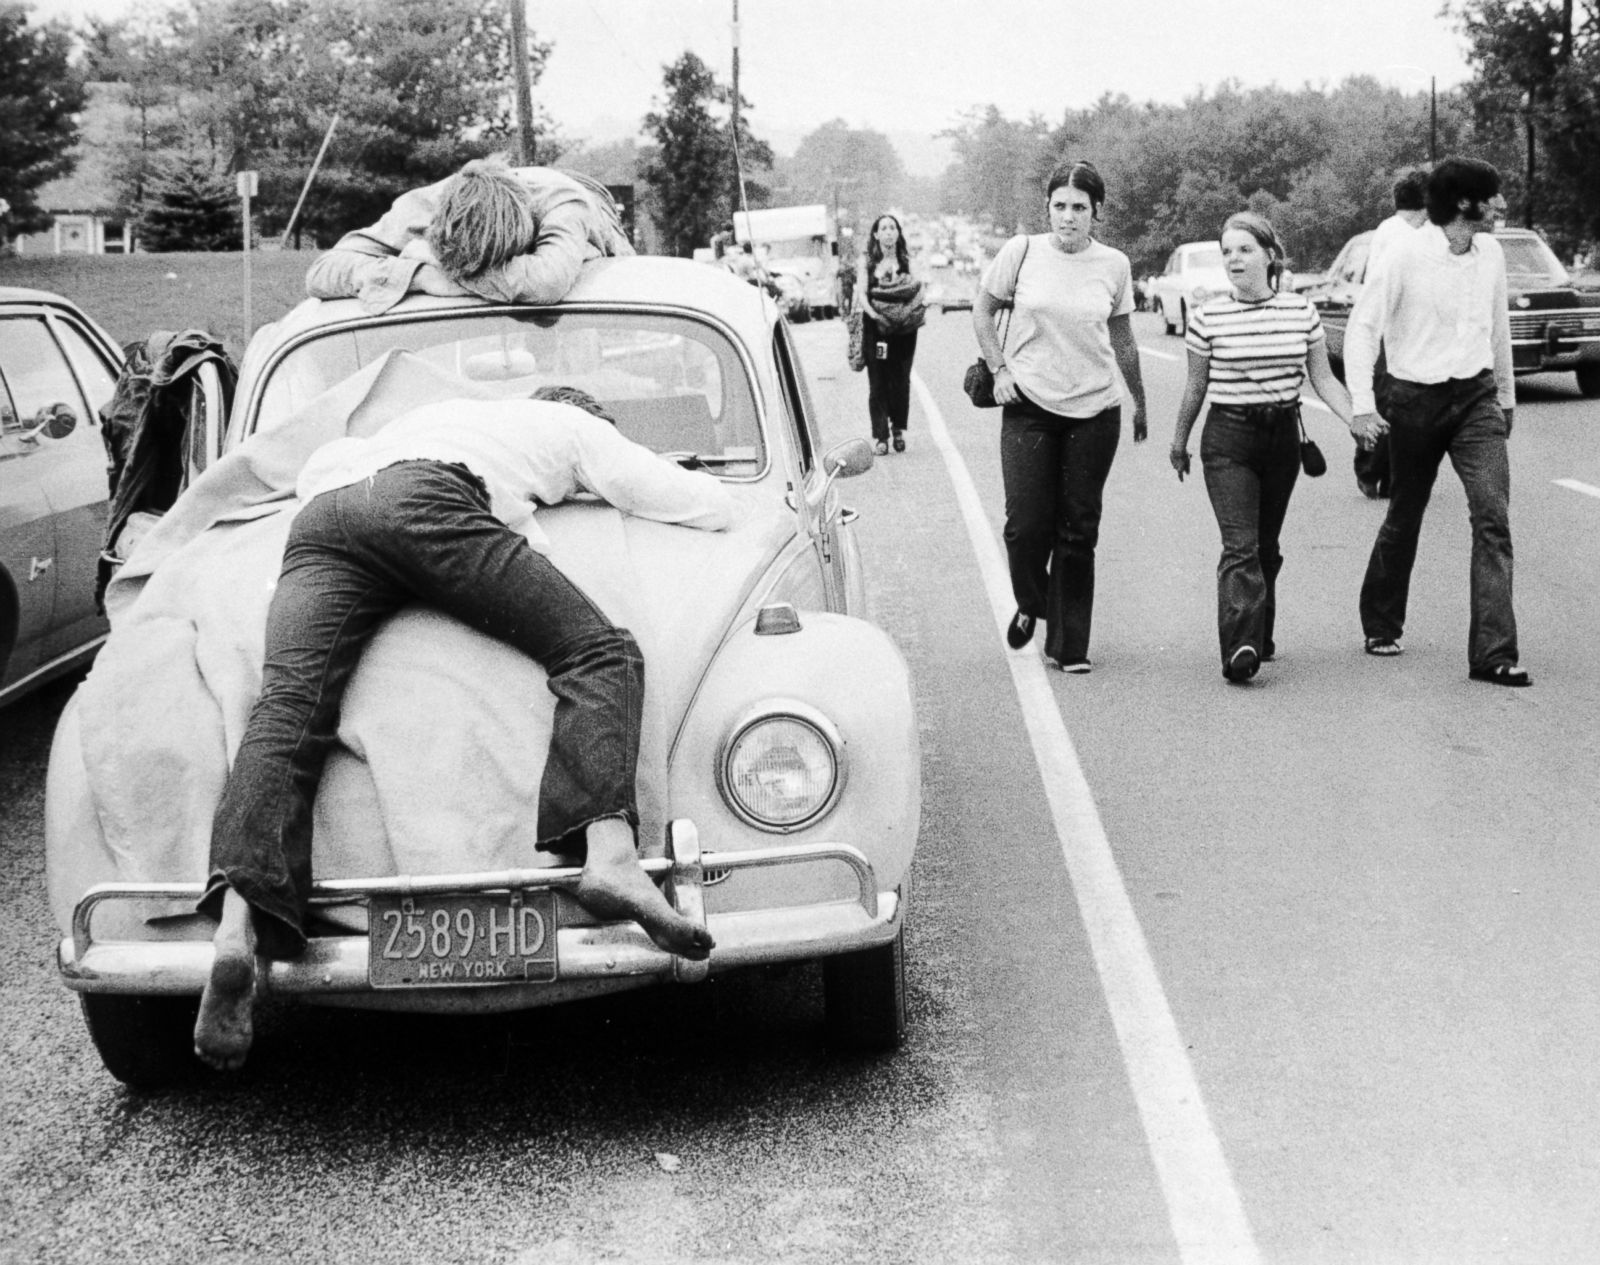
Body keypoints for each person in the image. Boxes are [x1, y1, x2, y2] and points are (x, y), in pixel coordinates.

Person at [193, 387, 732, 1071]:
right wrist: (728, 505)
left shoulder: (423, 416)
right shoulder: (566, 423)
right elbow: (656, 488)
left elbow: (323, 474)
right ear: (586, 413)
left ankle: (239, 924)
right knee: (599, 650)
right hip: (426, 502)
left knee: (286, 711)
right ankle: (610, 854)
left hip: (322, 518)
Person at [1345, 157, 1529, 686]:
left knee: (1492, 517)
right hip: (1413, 400)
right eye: (1492, 196)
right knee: (1406, 513)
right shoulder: (1404, 255)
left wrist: (1506, 399)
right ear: (1464, 204)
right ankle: (1381, 622)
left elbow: (1498, 326)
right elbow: (1363, 331)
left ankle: (1493, 653)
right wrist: (1363, 405)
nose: (1501, 205)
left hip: (1476, 399)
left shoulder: (1490, 253)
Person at [1169, 213, 1375, 683]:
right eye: (1227, 251)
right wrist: (1179, 441)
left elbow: (1323, 378)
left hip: (1281, 438)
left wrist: (1356, 419)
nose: (1234, 259)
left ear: (1269, 256)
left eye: (1244, 249)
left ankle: (1258, 630)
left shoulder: (1300, 312)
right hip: (1227, 440)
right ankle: (1240, 646)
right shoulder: (1207, 317)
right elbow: (1194, 388)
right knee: (1240, 546)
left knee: (1265, 546)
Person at [972, 160, 1148, 674]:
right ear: (1047, 208)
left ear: (1097, 212)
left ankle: (1069, 646)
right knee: (1025, 526)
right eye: (1059, 207)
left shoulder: (1114, 265)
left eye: (1079, 208)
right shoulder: (1021, 252)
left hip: (1095, 411)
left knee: (1078, 530)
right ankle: (1032, 603)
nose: (1068, 218)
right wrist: (998, 368)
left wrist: (1139, 400)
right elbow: (982, 311)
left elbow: (1122, 339)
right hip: (1028, 405)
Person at [305, 157, 633, 314]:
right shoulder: (424, 208)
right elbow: (322, 272)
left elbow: (545, 282)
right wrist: (420, 275)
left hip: (595, 206)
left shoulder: (565, 207)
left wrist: (443, 271)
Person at [1354, 166, 1430, 499]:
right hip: (1391, 334)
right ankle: (1372, 469)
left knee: (1394, 405)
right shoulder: (1405, 234)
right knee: (1391, 405)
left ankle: (1380, 469)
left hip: (1396, 333)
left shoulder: (1387, 229)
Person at [854, 214, 924, 455]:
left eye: (892, 228)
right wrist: (876, 316)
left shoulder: (906, 261)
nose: (888, 232)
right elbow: (862, 293)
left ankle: (898, 430)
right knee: (878, 381)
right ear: (876, 234)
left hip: (904, 329)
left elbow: (919, 289)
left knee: (900, 380)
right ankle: (881, 436)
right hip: (877, 328)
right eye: (883, 228)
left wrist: (905, 314)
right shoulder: (868, 263)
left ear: (898, 233)